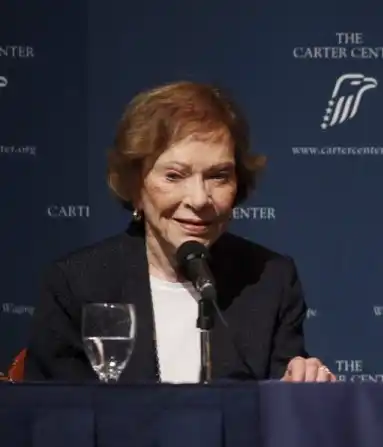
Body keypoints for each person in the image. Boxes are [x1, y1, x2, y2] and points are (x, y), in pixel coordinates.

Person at [25, 81, 335, 383]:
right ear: (135, 186)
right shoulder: (78, 284)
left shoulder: (270, 281)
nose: (199, 199)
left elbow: (282, 405)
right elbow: (54, 411)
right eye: (174, 176)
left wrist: (302, 388)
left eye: (218, 176)